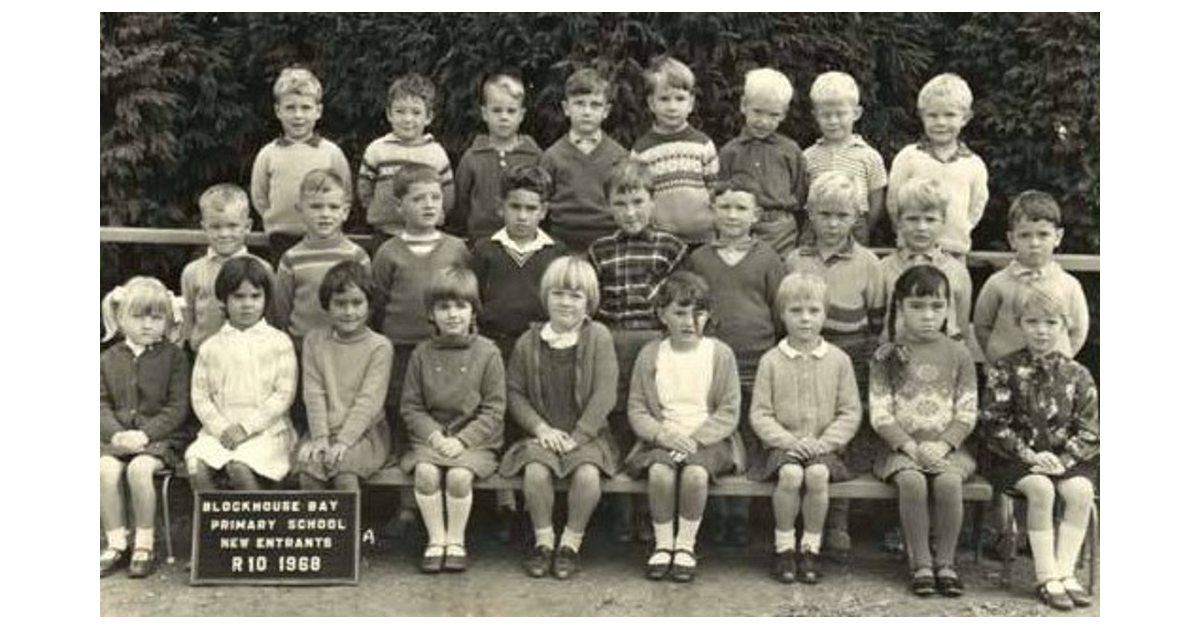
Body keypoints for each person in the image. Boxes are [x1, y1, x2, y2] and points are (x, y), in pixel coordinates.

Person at [499, 256, 620, 580]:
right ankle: (544, 542)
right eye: (558, 294)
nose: (566, 302)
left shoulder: (599, 337)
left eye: (576, 295)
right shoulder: (528, 342)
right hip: (543, 434)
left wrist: (579, 436)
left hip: (588, 435)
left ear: (589, 302)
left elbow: (605, 393)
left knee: (587, 475)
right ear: (546, 296)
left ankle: (571, 543)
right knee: (536, 472)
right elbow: (515, 393)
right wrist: (540, 428)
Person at [979, 287, 1098, 611]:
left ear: (1064, 325)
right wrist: (1028, 454)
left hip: (1062, 459)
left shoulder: (1078, 374)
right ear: (1020, 324)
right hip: (1015, 458)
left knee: (1081, 491)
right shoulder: (1004, 369)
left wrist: (1063, 460)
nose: (1041, 330)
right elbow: (993, 422)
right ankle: (1045, 576)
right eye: (1032, 322)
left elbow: (1091, 428)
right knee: (1041, 489)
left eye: (1050, 322)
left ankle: (1065, 572)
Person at [785, 171, 885, 553]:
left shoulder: (868, 263)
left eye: (842, 216)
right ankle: (798, 518)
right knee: (806, 422)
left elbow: (876, 320)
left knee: (839, 431)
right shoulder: (796, 258)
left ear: (856, 217)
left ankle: (836, 517)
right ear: (810, 214)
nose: (832, 223)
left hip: (851, 353)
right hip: (803, 350)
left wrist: (863, 356)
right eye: (824, 214)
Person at [588, 159, 688, 542]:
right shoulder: (599, 251)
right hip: (612, 342)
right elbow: (593, 305)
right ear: (608, 206)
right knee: (615, 418)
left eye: (638, 201)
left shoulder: (672, 248)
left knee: (651, 419)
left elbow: (680, 302)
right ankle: (621, 510)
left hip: (656, 344)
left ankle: (650, 510)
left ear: (653, 201)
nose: (630, 213)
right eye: (620, 204)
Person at [684, 176, 786, 545]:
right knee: (716, 433)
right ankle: (716, 512)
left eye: (741, 208)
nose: (732, 214)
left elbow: (779, 310)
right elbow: (691, 309)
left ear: (756, 214)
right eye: (724, 206)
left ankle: (742, 513)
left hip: (756, 360)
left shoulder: (767, 257)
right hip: (711, 362)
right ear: (712, 211)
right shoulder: (699, 258)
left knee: (748, 435)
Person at [624, 271, 744, 583]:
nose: (689, 321)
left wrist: (695, 440)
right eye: (679, 312)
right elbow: (637, 408)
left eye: (698, 313)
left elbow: (729, 411)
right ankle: (663, 544)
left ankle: (685, 545)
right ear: (662, 314)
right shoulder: (651, 354)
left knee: (694, 473)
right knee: (660, 472)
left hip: (709, 441)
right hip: (662, 438)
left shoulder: (720, 354)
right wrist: (663, 435)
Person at [374, 163, 472, 537]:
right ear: (400, 206)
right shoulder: (388, 252)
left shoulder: (456, 248)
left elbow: (465, 293)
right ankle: (407, 503)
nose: (429, 205)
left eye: (435, 197)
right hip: (402, 348)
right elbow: (379, 301)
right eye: (418, 199)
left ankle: (455, 494)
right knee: (406, 417)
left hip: (447, 350)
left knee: (446, 416)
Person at [869, 265, 977, 598]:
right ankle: (921, 564)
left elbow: (967, 410)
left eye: (936, 306)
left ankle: (946, 563)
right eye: (916, 306)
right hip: (901, 450)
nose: (928, 315)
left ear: (948, 308)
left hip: (949, 449)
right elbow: (880, 412)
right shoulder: (886, 355)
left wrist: (945, 446)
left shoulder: (959, 353)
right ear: (899, 308)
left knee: (948, 481)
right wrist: (910, 447)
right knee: (912, 481)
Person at [749, 272, 860, 584]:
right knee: (791, 474)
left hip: (826, 448)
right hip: (781, 447)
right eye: (796, 311)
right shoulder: (771, 360)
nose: (805, 319)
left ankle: (811, 547)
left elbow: (850, 412)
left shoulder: (839, 360)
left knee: (817, 474)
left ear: (825, 314)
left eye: (814, 311)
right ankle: (784, 548)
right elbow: (760, 413)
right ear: (782, 314)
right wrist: (787, 441)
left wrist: (823, 444)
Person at [399, 266, 506, 574]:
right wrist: (435, 437)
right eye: (443, 307)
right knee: (426, 473)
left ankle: (456, 540)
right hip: (431, 439)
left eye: (461, 306)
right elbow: (412, 407)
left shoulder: (488, 353)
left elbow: (494, 409)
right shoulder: (422, 353)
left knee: (459, 476)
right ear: (431, 313)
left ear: (474, 311)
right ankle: (436, 540)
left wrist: (461, 441)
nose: (453, 314)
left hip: (476, 441)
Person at [100, 277, 192, 579]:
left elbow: (178, 407)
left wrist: (145, 434)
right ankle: (116, 542)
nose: (148, 325)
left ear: (168, 319)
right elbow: (97, 404)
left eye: (156, 317)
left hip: (160, 439)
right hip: (117, 437)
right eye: (138, 316)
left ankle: (144, 542)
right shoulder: (108, 359)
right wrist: (116, 433)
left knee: (139, 469)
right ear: (120, 317)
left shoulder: (175, 358)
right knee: (105, 469)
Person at [186, 258, 298, 491]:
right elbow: (200, 396)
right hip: (220, 431)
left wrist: (246, 428)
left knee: (239, 468)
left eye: (255, 296)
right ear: (224, 300)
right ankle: (217, 526)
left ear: (265, 299)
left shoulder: (279, 342)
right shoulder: (211, 346)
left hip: (266, 431)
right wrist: (221, 429)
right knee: (197, 466)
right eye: (238, 297)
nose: (247, 304)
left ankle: (259, 525)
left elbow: (283, 395)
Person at [294, 261, 392, 493]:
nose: (349, 312)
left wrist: (343, 442)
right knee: (309, 471)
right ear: (327, 305)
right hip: (323, 429)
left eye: (357, 303)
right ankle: (316, 530)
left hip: (366, 433)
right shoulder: (314, 341)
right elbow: (313, 393)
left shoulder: (379, 346)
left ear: (369, 305)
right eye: (340, 303)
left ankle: (349, 528)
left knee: (343, 471)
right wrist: (319, 438)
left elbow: (369, 402)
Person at [250, 67, 352, 264]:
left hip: (324, 236)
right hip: (281, 237)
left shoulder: (331, 153)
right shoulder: (268, 154)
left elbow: (345, 192)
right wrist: (276, 220)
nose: (298, 115)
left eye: (305, 108)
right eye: (290, 108)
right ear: (278, 111)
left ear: (318, 111)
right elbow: (260, 196)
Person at [974, 190, 1089, 363]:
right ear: (1012, 239)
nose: (1034, 243)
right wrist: (998, 358)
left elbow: (1078, 330)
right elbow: (982, 325)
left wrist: (1062, 359)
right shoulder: (997, 283)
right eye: (1025, 235)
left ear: (1058, 237)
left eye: (1043, 235)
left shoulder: (1069, 285)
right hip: (1006, 376)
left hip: (1052, 376)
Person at [886, 73, 988, 258]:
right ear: (922, 116)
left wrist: (960, 230)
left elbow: (976, 206)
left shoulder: (974, 164)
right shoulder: (909, 157)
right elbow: (894, 201)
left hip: (954, 251)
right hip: (911, 250)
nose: (941, 122)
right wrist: (905, 233)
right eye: (933, 115)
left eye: (949, 115)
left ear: (965, 117)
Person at [472, 164, 568, 359]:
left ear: (543, 211)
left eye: (531, 209)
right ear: (501, 207)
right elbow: (474, 301)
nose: (522, 216)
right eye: (515, 207)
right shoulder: (484, 251)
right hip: (494, 345)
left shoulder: (556, 252)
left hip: (543, 346)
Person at [275, 169, 371, 349]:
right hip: (302, 344)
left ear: (345, 212)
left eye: (333, 207)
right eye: (316, 207)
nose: (325, 214)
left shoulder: (356, 256)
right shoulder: (291, 259)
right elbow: (282, 308)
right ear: (300, 210)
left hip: (346, 344)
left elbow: (367, 303)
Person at [630, 56, 719, 246]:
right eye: (664, 99)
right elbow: (638, 196)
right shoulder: (641, 151)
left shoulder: (703, 145)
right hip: (661, 241)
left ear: (691, 103)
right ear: (651, 104)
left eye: (680, 99)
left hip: (703, 239)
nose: (672, 107)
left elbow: (715, 190)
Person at [718, 67, 806, 257]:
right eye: (757, 112)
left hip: (781, 230)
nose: (763, 121)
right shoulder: (730, 152)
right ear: (743, 105)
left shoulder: (790, 151)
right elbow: (721, 195)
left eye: (773, 115)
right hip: (741, 228)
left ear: (783, 114)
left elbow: (799, 194)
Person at [358, 73, 455, 246]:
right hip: (385, 234)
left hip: (426, 235)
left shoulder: (436, 153)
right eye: (400, 111)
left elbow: (447, 196)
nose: (407, 119)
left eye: (416, 112)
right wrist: (380, 212)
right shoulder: (377, 150)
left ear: (428, 117)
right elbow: (365, 189)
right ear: (389, 114)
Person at [180, 183, 275, 354]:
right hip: (203, 357)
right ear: (204, 228)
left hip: (251, 356)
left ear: (247, 226)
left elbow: (271, 317)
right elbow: (189, 319)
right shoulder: (192, 272)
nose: (224, 234)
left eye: (232, 226)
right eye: (216, 227)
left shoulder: (263, 268)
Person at [540, 68, 626, 252]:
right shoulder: (552, 157)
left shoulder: (619, 156)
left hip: (608, 242)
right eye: (579, 104)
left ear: (606, 111)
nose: (587, 112)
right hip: (562, 244)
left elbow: (625, 203)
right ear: (566, 108)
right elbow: (540, 205)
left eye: (595, 105)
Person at [879, 177, 973, 343]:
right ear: (899, 221)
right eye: (913, 219)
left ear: (943, 222)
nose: (921, 227)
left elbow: (962, 326)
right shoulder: (883, 269)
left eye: (930, 220)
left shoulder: (957, 271)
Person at [453, 73, 543, 240]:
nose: (504, 117)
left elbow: (542, 197)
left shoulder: (534, 156)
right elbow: (461, 202)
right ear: (485, 113)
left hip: (525, 239)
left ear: (521, 115)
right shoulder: (472, 157)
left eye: (511, 111)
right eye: (496, 110)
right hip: (481, 239)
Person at [802, 71, 887, 246]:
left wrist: (863, 225)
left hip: (855, 225)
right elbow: (803, 196)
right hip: (816, 225)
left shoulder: (869, 156)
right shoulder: (807, 156)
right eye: (826, 115)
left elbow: (876, 199)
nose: (833, 121)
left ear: (856, 113)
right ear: (815, 115)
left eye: (840, 114)